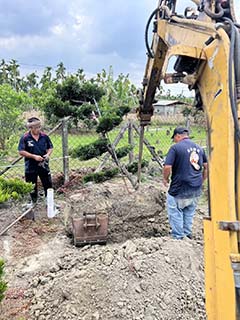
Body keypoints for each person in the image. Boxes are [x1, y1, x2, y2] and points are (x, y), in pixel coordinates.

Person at [163, 126, 208, 239]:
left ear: (178, 136)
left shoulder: (175, 148)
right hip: (195, 187)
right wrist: (202, 179)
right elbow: (207, 167)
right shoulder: (199, 148)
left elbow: (167, 167)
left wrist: (165, 179)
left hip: (179, 187)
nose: (174, 140)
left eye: (174, 138)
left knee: (175, 210)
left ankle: (178, 237)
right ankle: (187, 234)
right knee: (189, 211)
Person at [18, 117, 53, 204]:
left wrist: (48, 154)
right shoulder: (25, 138)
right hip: (31, 166)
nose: (39, 129)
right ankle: (33, 202)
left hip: (43, 165)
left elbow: (50, 147)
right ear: (30, 128)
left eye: (39, 127)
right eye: (36, 128)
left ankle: (49, 201)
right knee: (32, 185)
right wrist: (34, 156)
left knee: (48, 184)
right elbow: (21, 151)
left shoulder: (44, 136)